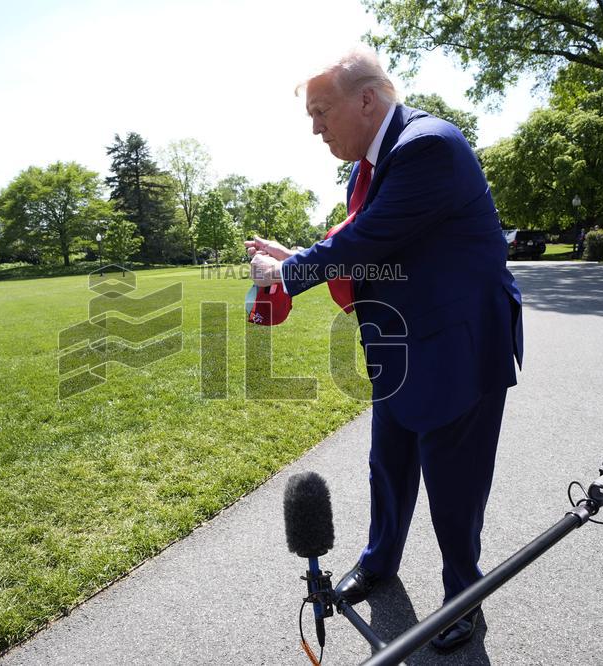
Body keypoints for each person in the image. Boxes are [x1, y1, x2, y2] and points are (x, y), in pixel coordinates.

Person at [248, 48, 523, 652]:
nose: (314, 127)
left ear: (366, 100)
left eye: (322, 111)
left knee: (454, 490)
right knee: (387, 469)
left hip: (458, 349)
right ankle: (379, 562)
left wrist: (286, 273)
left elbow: (369, 240)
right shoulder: (365, 171)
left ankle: (463, 598)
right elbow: (361, 246)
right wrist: (294, 259)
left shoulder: (428, 145)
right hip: (398, 348)